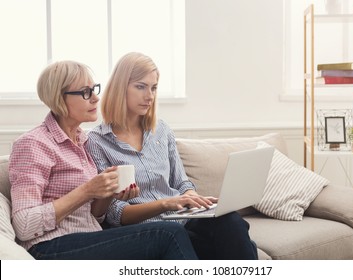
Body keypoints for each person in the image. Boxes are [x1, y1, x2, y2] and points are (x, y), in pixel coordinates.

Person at [8, 60, 198, 260]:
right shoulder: (33, 144)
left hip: (90, 236)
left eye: (94, 90)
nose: (96, 98)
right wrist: (87, 190)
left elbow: (94, 215)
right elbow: (24, 225)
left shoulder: (81, 141)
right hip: (50, 246)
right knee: (167, 233)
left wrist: (108, 194)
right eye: (85, 92)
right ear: (59, 98)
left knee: (194, 229)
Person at [86, 52, 258, 260]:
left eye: (154, 87)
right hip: (150, 232)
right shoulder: (97, 141)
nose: (149, 96)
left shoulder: (162, 130)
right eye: (140, 86)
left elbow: (181, 182)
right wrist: (166, 204)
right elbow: (115, 214)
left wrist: (194, 198)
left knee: (230, 221)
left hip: (182, 220)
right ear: (120, 87)